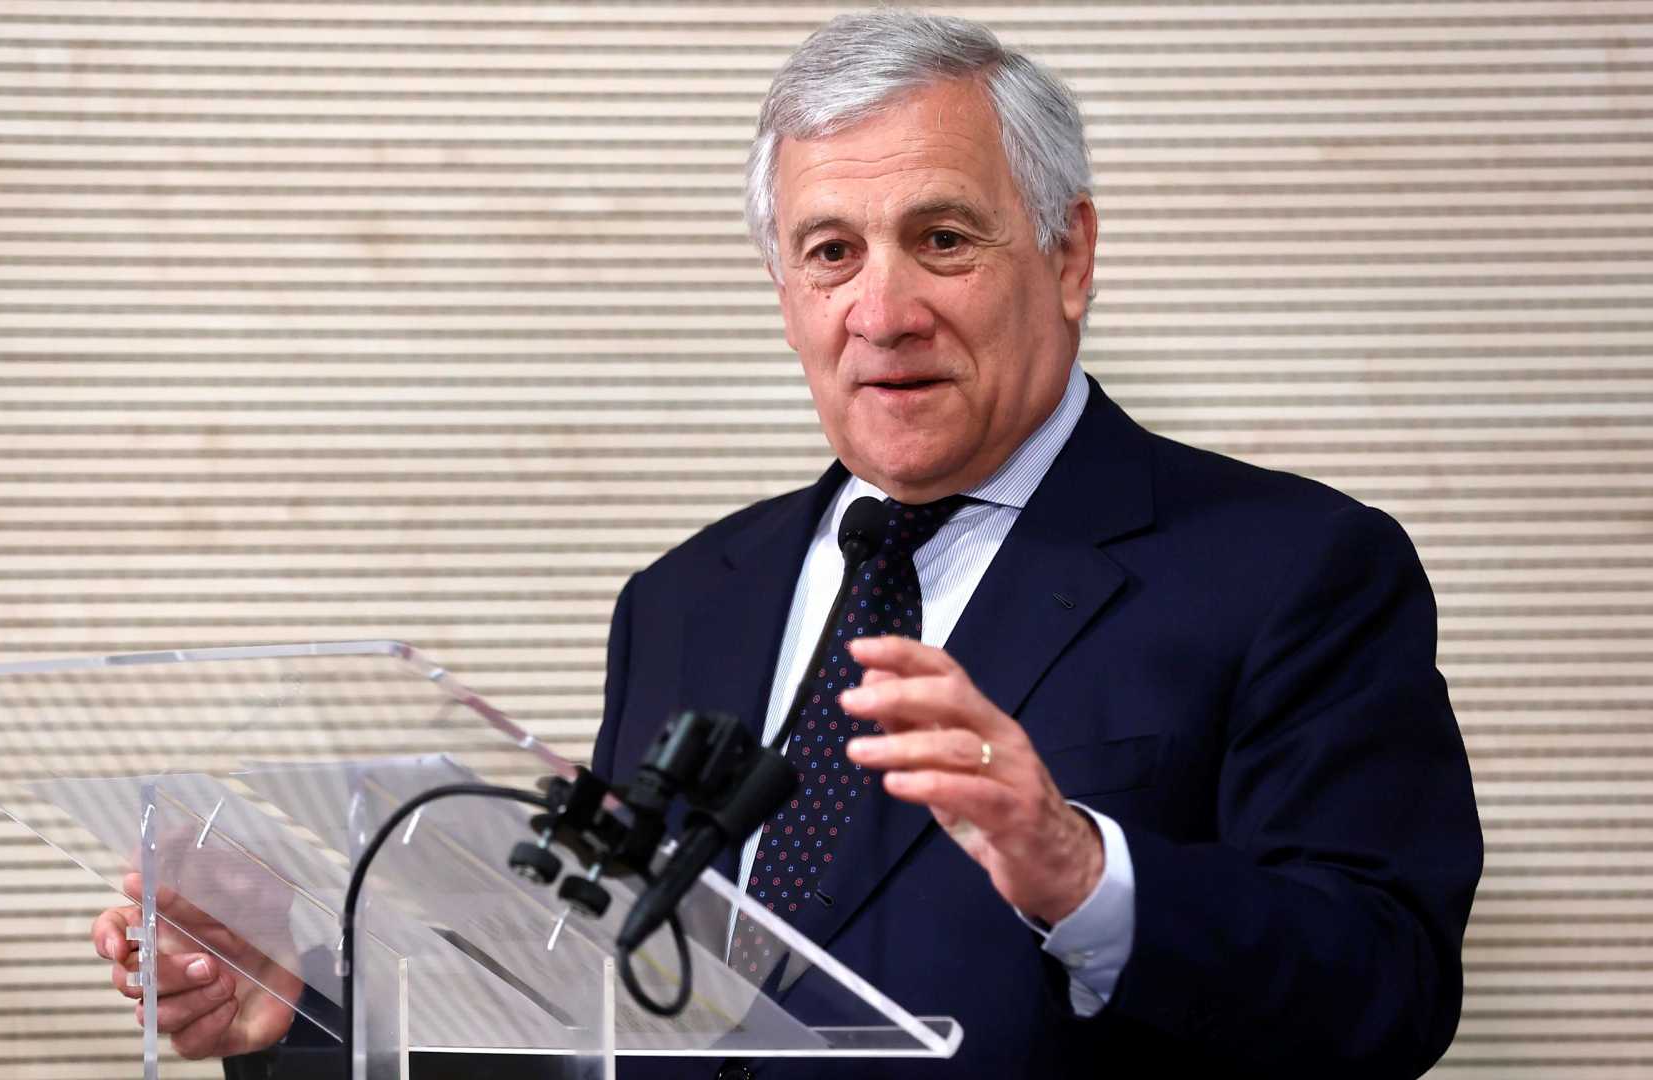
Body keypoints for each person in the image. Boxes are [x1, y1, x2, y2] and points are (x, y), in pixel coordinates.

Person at [92, 11, 1482, 1078]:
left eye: (943, 238)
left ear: (1068, 257)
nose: (882, 311)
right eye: (831, 252)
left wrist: (1079, 870)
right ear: (784, 288)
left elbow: (1388, 992)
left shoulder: (1293, 569)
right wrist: (298, 1006)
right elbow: (611, 1014)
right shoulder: (687, 600)